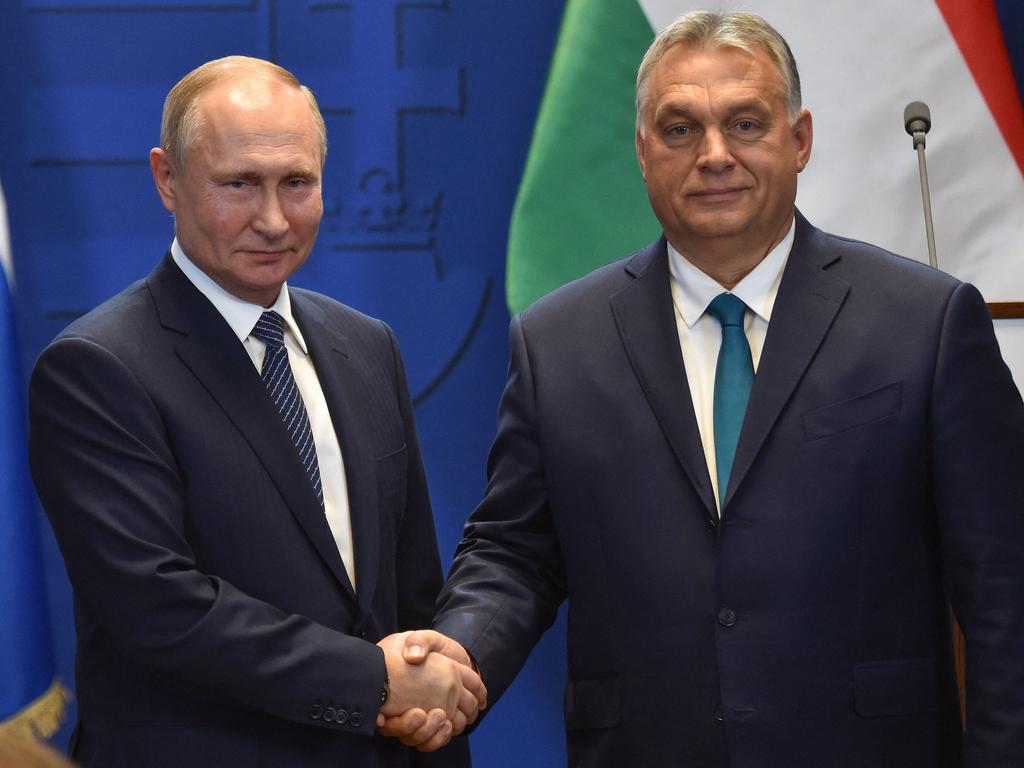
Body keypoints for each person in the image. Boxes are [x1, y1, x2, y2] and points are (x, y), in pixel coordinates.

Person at [389, 10, 1024, 767]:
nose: (714, 155)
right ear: (642, 151)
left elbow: (1005, 587)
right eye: (680, 129)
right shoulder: (559, 342)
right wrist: (455, 659)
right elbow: (515, 555)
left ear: (800, 140)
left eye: (746, 123)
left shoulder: (924, 322)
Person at [28, 56, 484, 768]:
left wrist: (427, 705)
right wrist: (376, 683)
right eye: (239, 184)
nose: (272, 219)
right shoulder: (97, 368)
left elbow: (410, 591)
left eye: (296, 183)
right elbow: (161, 610)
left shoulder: (367, 347)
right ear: (167, 179)